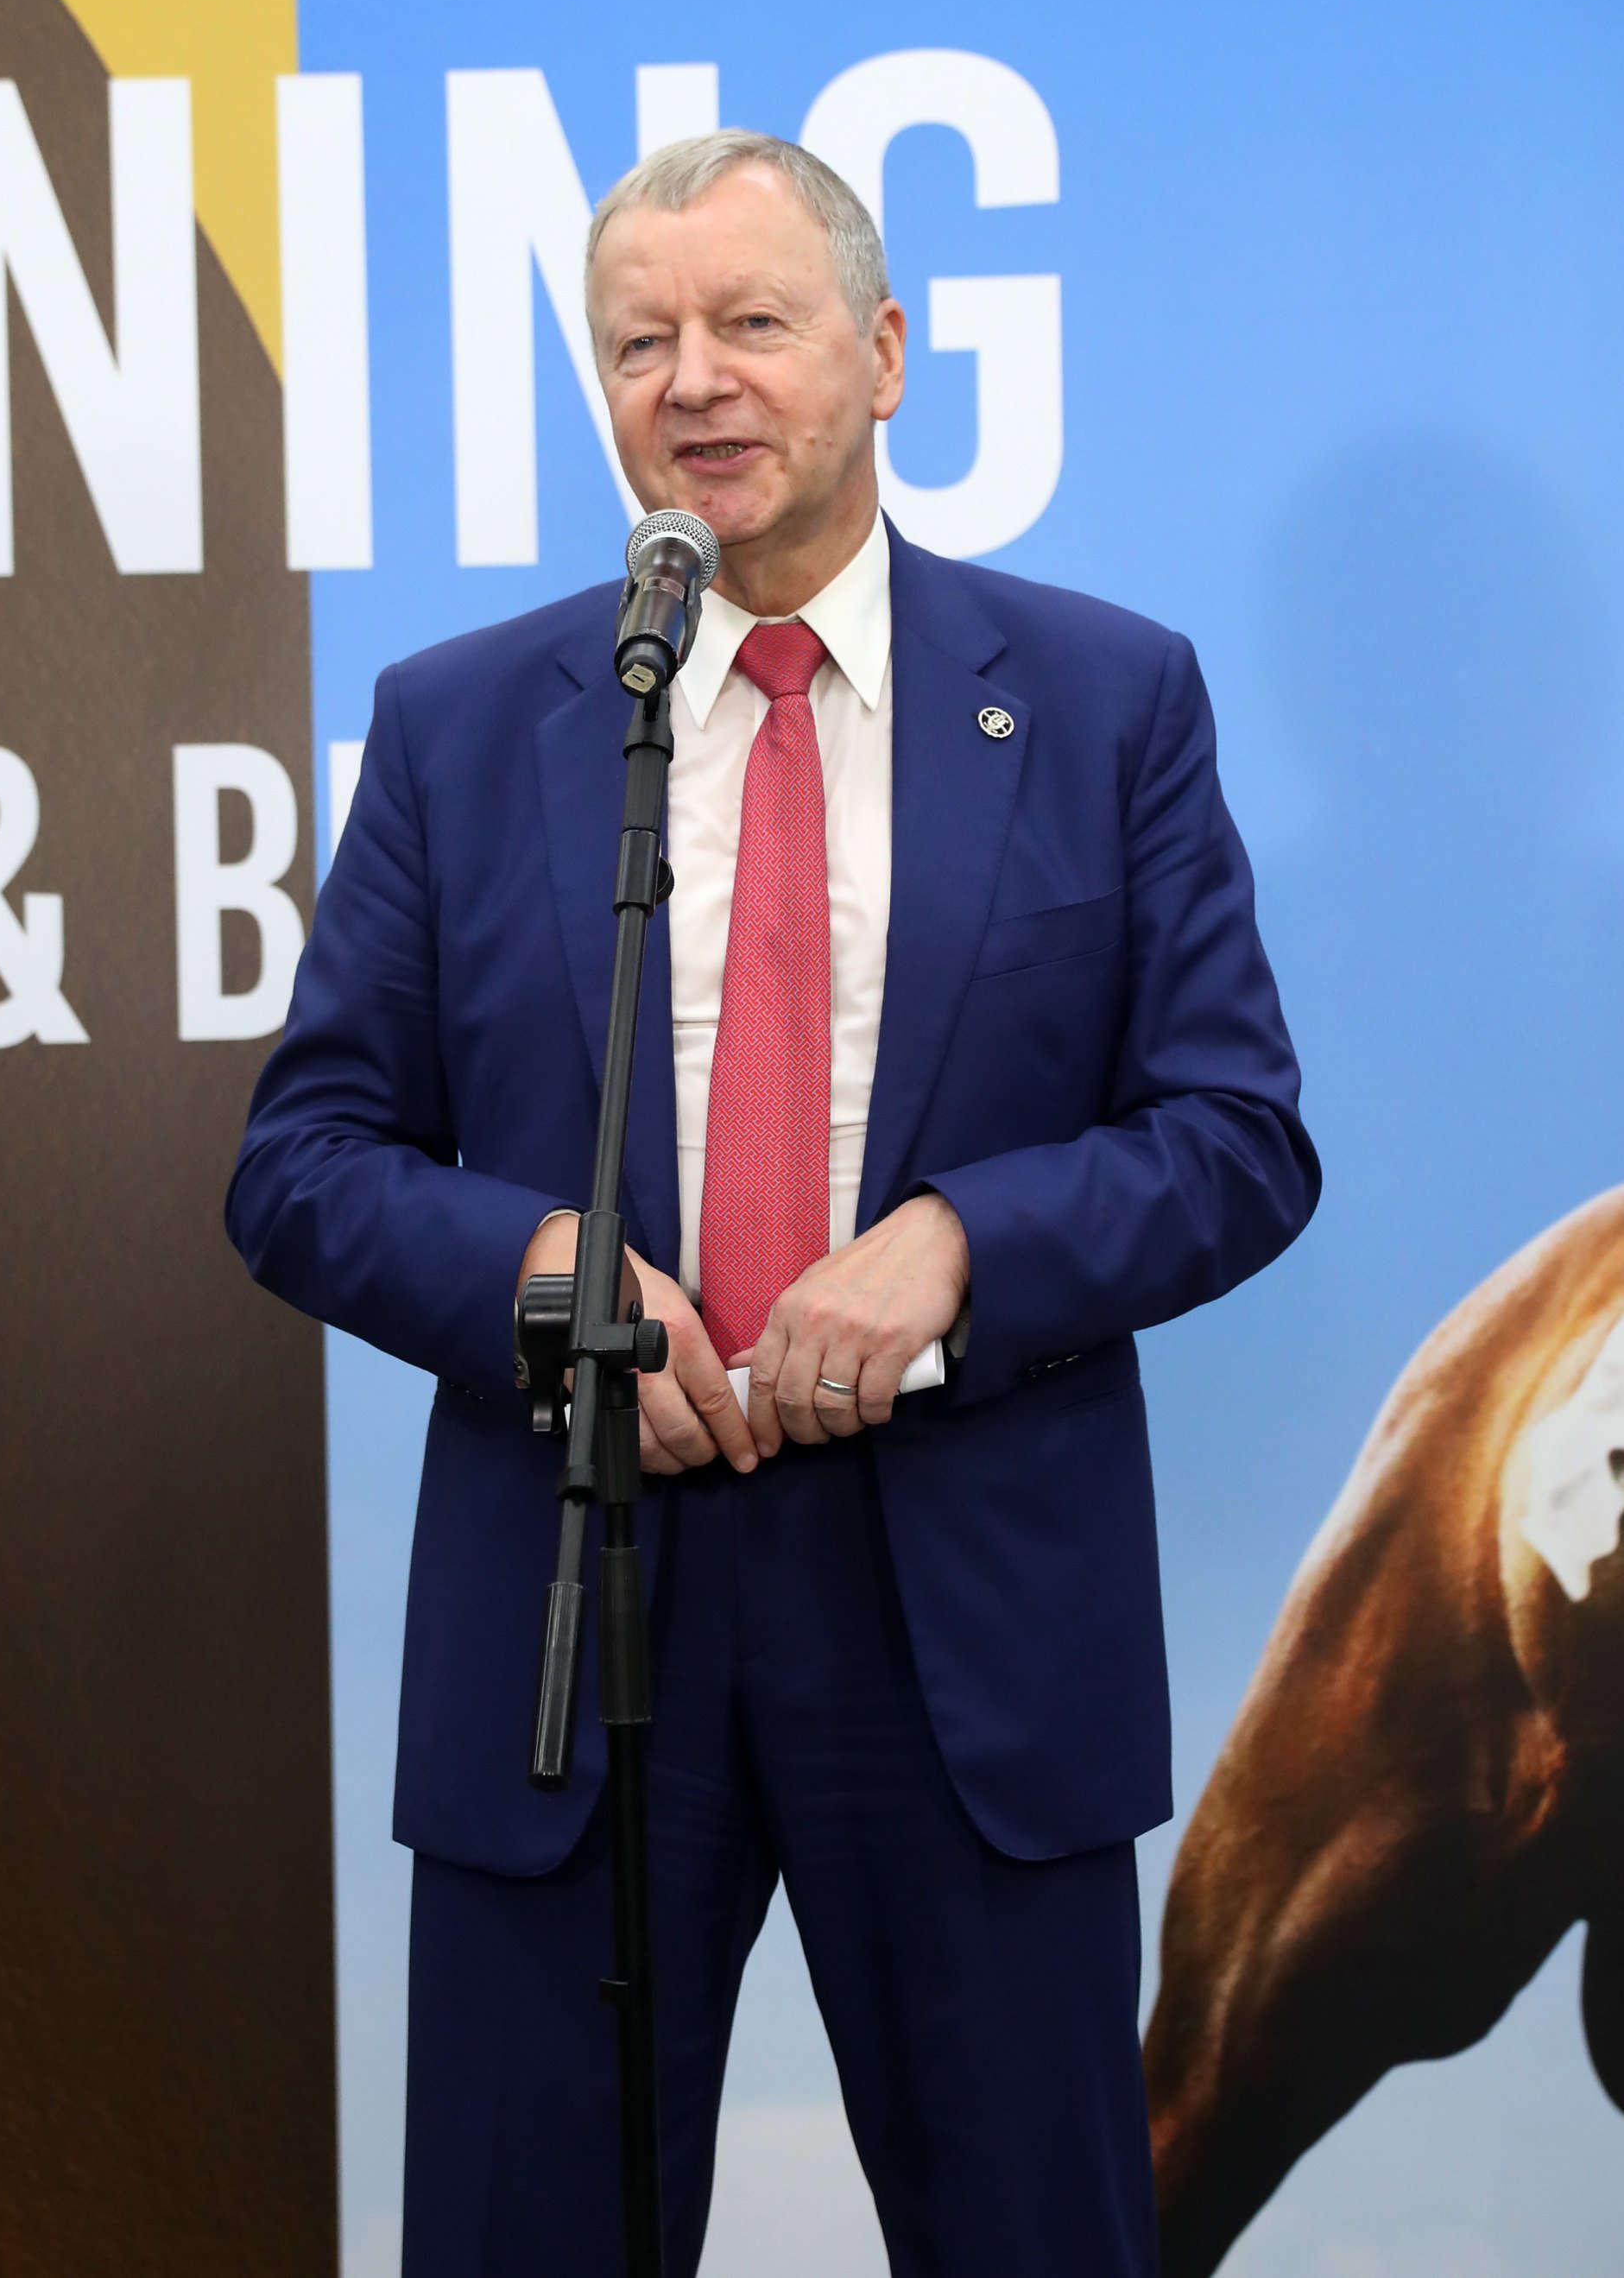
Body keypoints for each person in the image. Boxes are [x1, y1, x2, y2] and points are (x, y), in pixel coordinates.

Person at [227, 130, 1319, 2278]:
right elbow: (302, 1163)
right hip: (579, 1594)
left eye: (750, 322)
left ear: (888, 351)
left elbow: (1235, 1134)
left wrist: (964, 1245)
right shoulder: (464, 726)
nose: (692, 381)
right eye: (639, 342)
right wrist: (537, 1272)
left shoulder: (1106, 699)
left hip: (963, 1620)